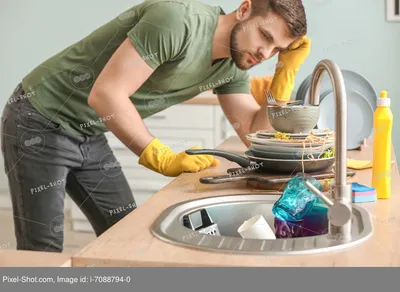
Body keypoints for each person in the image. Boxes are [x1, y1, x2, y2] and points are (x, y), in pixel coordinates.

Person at [0, 0, 310, 252]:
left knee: (123, 234)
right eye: (266, 37)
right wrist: (157, 154)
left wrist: (285, 74)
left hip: (88, 131)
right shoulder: (176, 21)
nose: (265, 54)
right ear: (244, 10)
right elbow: (106, 94)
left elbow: (254, 135)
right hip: (39, 117)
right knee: (42, 249)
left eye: (277, 50)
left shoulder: (234, 63)